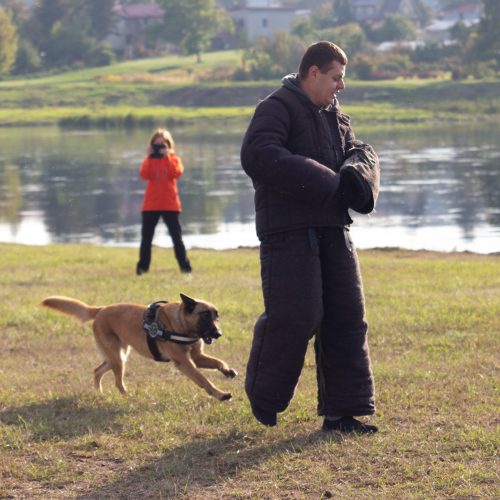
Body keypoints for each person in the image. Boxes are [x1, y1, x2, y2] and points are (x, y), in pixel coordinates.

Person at [240, 41, 380, 433]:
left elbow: (358, 151)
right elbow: (258, 154)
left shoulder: (336, 117)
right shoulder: (275, 107)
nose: (341, 87)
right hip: (288, 234)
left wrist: (356, 174)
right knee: (297, 316)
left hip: (333, 229)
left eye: (343, 79)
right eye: (336, 78)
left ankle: (342, 414)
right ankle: (265, 397)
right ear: (313, 73)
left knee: (346, 318)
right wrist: (326, 181)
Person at [136, 128, 192, 275]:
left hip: (170, 205)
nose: (159, 147)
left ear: (169, 145)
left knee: (177, 239)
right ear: (151, 145)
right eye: (157, 144)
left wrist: (167, 156)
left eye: (163, 144)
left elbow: (176, 173)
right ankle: (142, 269)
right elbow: (144, 174)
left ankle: (185, 269)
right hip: (151, 205)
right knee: (146, 240)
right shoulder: (149, 160)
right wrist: (149, 157)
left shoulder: (174, 159)